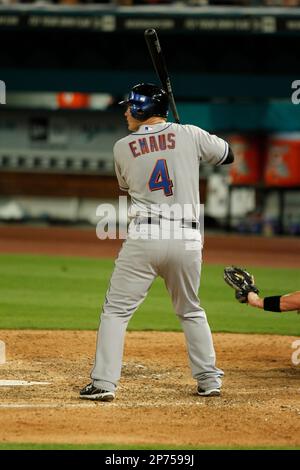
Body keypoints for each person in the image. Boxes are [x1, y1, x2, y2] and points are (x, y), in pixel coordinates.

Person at [80, 83, 234, 402]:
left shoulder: (122, 147)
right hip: (189, 237)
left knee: (116, 312)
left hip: (146, 236)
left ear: (142, 109)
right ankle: (208, 380)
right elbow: (227, 155)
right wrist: (188, 135)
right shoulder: (189, 133)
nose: (125, 112)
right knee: (190, 309)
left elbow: (126, 185)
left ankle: (104, 383)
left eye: (129, 107)